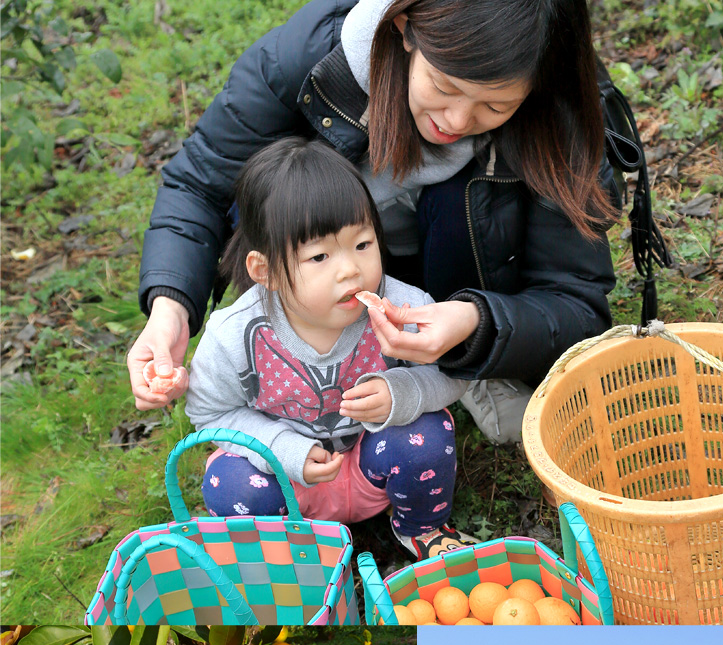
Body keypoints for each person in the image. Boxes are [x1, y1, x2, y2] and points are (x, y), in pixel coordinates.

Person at [131, 0, 618, 445]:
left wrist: (475, 322)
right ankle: (299, 363)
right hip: (321, 271)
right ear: (405, 29)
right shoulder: (308, 62)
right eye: (444, 86)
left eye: (496, 106)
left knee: (453, 202)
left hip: (461, 277)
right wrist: (170, 308)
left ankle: (469, 371)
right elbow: (199, 184)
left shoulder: (562, 111)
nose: (456, 118)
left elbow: (575, 302)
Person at [186, 137, 473, 561]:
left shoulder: (400, 305)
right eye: (319, 257)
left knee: (426, 434)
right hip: (288, 483)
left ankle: (423, 528)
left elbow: (453, 369)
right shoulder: (234, 336)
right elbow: (210, 415)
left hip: (369, 463)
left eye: (362, 244)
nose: (350, 269)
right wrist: (281, 450)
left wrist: (403, 392)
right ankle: (290, 557)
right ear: (265, 271)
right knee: (229, 482)